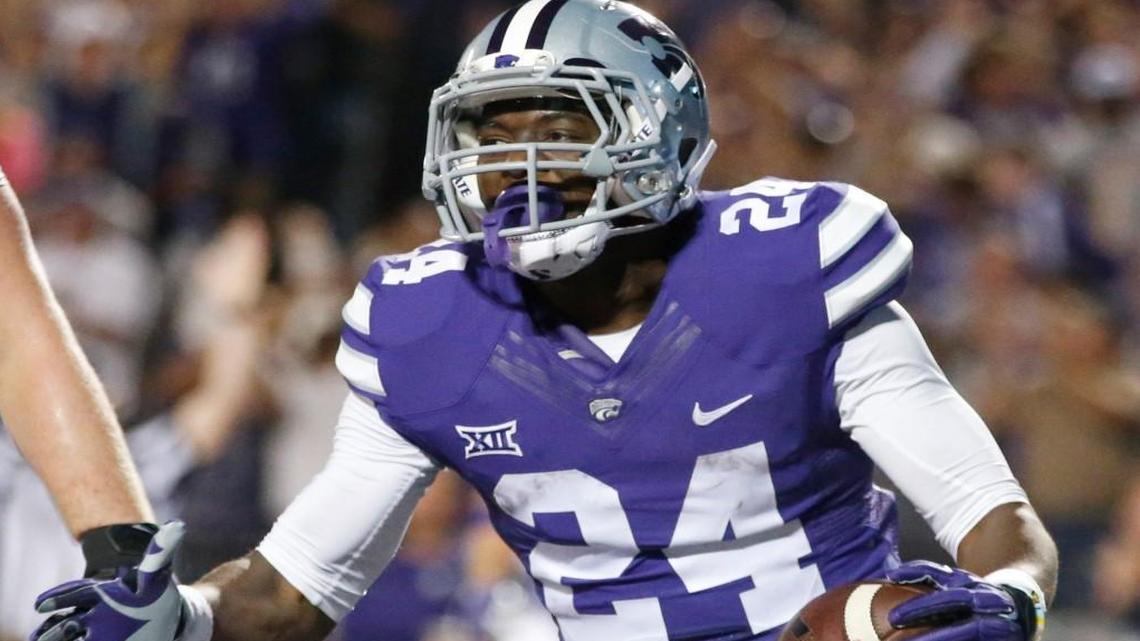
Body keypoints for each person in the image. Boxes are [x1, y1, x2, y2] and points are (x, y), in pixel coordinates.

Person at [32, 2, 1058, 641]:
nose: (513, 168)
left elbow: (995, 521)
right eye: (491, 134)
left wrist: (1009, 595)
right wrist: (183, 618)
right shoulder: (429, 324)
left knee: (896, 624)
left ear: (658, 139)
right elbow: (295, 591)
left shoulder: (790, 268)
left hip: (819, 625)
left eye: (558, 129)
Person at [0, 166, 159, 581]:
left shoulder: (125, 262)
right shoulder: (51, 249)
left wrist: (121, 554)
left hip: (99, 420)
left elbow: (23, 341)